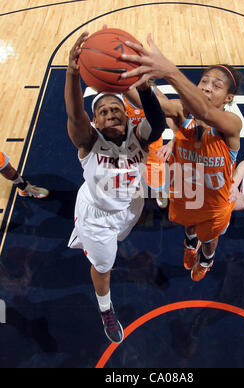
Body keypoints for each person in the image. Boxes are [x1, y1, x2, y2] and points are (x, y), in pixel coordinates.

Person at [65, 31, 167, 344]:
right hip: (97, 216)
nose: (111, 112)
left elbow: (158, 122)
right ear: (94, 120)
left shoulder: (140, 133)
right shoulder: (89, 141)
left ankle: (100, 240)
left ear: (127, 115)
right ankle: (105, 308)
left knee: (123, 235)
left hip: (129, 207)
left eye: (116, 108)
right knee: (103, 265)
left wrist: (144, 83)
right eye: (103, 111)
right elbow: (74, 113)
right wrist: (72, 73)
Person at [120, 35, 244, 281]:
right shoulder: (180, 112)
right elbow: (150, 104)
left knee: (209, 240)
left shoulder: (231, 124)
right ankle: (190, 243)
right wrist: (121, 75)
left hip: (215, 204)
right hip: (186, 191)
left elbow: (205, 111)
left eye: (216, 85)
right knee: (189, 226)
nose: (207, 86)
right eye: (204, 81)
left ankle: (206, 258)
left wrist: (170, 71)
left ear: (228, 98)